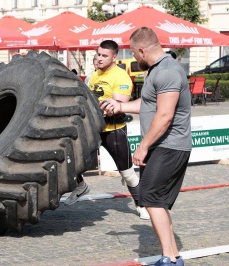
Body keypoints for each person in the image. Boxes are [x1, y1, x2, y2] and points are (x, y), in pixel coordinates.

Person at [100, 27, 191, 266]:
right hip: (163, 146)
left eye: (133, 53)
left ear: (141, 50)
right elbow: (149, 103)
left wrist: (142, 147)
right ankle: (173, 257)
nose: (133, 58)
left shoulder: (168, 71)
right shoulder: (158, 70)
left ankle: (169, 259)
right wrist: (120, 106)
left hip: (169, 146)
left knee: (150, 199)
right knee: (156, 201)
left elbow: (164, 116)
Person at [65, 40, 150, 221]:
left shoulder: (121, 77)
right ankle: (80, 186)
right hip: (91, 129)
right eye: (98, 54)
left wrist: (100, 108)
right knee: (68, 157)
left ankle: (141, 204)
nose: (100, 58)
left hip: (113, 130)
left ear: (114, 57)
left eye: (105, 55)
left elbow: (116, 106)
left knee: (127, 173)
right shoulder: (93, 76)